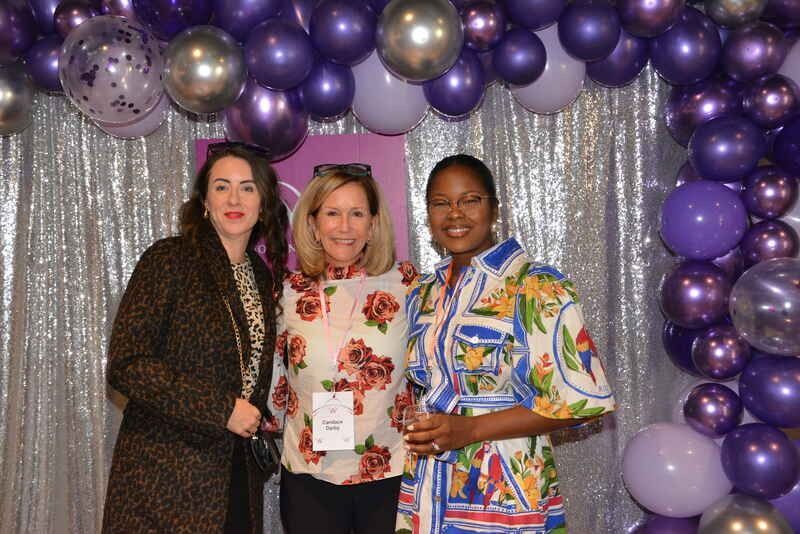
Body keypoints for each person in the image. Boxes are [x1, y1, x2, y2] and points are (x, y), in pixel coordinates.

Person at [395, 154, 616, 534]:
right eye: (441, 203)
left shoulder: (535, 286)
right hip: (427, 487)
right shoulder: (422, 293)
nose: (455, 214)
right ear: (428, 214)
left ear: (494, 209)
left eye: (470, 200)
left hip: (503, 490)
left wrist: (470, 429)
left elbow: (586, 401)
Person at [103, 142, 289, 533]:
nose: (234, 198)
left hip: (236, 473)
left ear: (264, 203)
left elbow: (245, 371)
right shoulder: (169, 259)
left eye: (247, 187)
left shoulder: (260, 274)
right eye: (222, 186)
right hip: (166, 474)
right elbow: (127, 365)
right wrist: (221, 409)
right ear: (205, 199)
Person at [266, 164, 418, 534]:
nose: (345, 226)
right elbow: (275, 380)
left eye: (357, 213)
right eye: (332, 213)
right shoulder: (288, 291)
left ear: (374, 224)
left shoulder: (408, 284)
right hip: (309, 476)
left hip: (391, 471)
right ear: (314, 224)